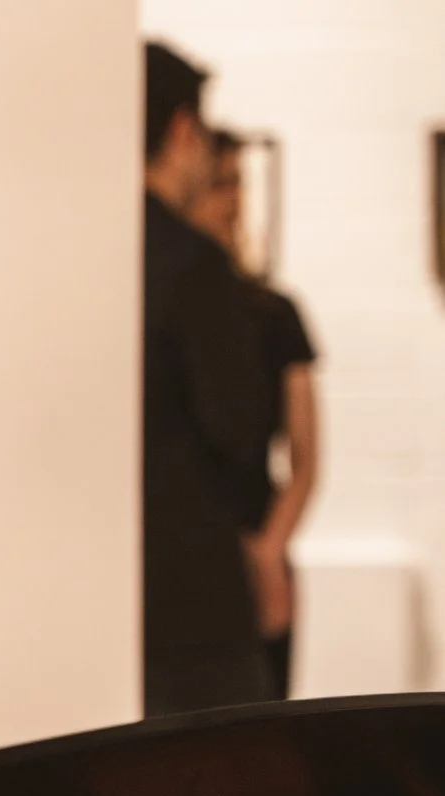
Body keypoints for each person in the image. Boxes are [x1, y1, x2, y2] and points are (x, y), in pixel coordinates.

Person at [142, 42, 274, 716]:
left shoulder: (86, 251)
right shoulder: (193, 262)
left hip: (101, 578)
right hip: (193, 589)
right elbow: (239, 426)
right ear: (183, 130)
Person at [191, 127, 321, 698]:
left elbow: (306, 455)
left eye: (239, 183)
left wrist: (269, 550)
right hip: (190, 544)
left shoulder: (273, 313)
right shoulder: (167, 312)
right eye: (220, 184)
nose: (233, 200)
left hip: (256, 533)